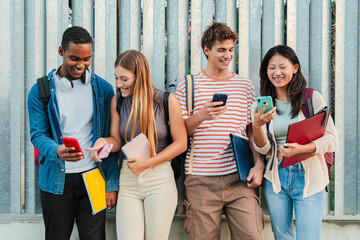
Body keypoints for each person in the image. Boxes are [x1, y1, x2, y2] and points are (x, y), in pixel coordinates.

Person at [27, 26, 119, 240]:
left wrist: (111, 184)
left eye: (87, 59)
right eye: (74, 58)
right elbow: (37, 135)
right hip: (56, 182)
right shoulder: (40, 91)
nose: (81, 65)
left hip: (94, 177)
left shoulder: (104, 90)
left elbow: (111, 141)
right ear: (61, 51)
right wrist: (57, 150)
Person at [175, 22, 265, 240]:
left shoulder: (244, 85)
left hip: (240, 178)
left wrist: (259, 166)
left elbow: (251, 132)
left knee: (252, 236)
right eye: (221, 50)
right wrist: (201, 116)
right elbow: (179, 132)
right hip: (200, 180)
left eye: (231, 49)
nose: (228, 55)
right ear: (207, 50)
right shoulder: (188, 85)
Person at [87, 49, 187, 240]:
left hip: (159, 179)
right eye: (116, 78)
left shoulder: (166, 100)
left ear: (139, 75)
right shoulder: (116, 101)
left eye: (124, 79)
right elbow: (116, 141)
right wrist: (103, 143)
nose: (118, 84)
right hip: (128, 179)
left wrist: (148, 163)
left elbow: (181, 143)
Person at [251, 45, 338, 240]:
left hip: (309, 175)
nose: (277, 72)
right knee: (282, 236)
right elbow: (263, 148)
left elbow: (332, 140)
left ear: (295, 68)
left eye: (283, 67)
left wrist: (302, 149)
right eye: (271, 67)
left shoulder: (311, 98)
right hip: (276, 178)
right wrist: (257, 125)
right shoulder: (260, 105)